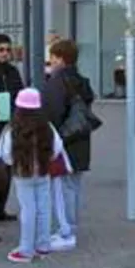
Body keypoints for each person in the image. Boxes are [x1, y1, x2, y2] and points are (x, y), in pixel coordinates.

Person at [0, 88, 66, 264]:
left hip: (23, 173)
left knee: (28, 209)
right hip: (43, 171)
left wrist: (15, 162)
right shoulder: (47, 127)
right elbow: (57, 147)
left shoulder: (12, 129)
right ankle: (43, 245)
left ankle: (26, 249)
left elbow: (4, 153)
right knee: (44, 207)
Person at [41, 39, 94, 250]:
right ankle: (70, 227)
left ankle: (66, 231)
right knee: (74, 187)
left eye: (53, 57)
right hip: (80, 140)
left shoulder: (57, 82)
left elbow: (51, 113)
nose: (51, 61)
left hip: (62, 142)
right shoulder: (82, 81)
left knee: (62, 189)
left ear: (61, 58)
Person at [0, 33, 25, 221]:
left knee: (7, 166)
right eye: (1, 50)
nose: (5, 53)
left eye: (8, 50)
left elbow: (20, 92)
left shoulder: (12, 71)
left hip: (10, 122)